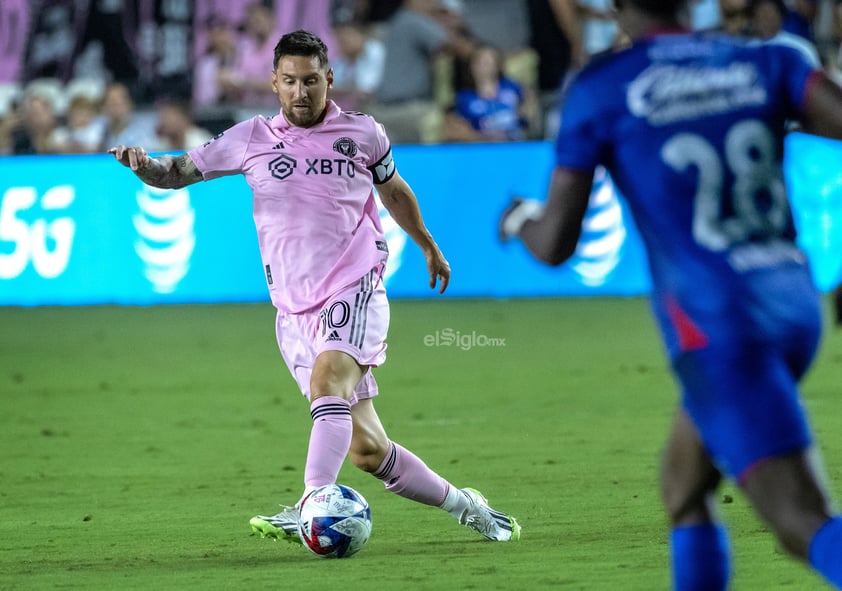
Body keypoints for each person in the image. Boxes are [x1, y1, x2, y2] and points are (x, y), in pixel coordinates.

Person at [109, 29, 520, 545]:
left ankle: (311, 502)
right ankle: (467, 506)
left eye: (310, 81)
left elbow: (393, 191)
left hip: (355, 283)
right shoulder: (250, 138)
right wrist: (144, 165)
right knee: (369, 451)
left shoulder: (363, 133)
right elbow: (177, 172)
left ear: (329, 78)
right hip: (293, 309)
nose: (301, 92)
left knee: (329, 385)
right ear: (274, 83)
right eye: (290, 82)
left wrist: (428, 245)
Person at [500, 0, 842, 587]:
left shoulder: (604, 86)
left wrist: (518, 221)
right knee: (684, 485)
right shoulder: (767, 59)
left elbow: (556, 243)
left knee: (800, 519)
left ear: (613, 7)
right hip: (793, 303)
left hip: (720, 326)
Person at [444, 44, 530, 142]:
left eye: (490, 61)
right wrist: (479, 137)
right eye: (481, 62)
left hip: (515, 142)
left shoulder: (513, 88)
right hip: (481, 145)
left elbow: (529, 111)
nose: (485, 66)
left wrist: (524, 114)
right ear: (472, 66)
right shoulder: (464, 98)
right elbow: (454, 127)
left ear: (498, 65)